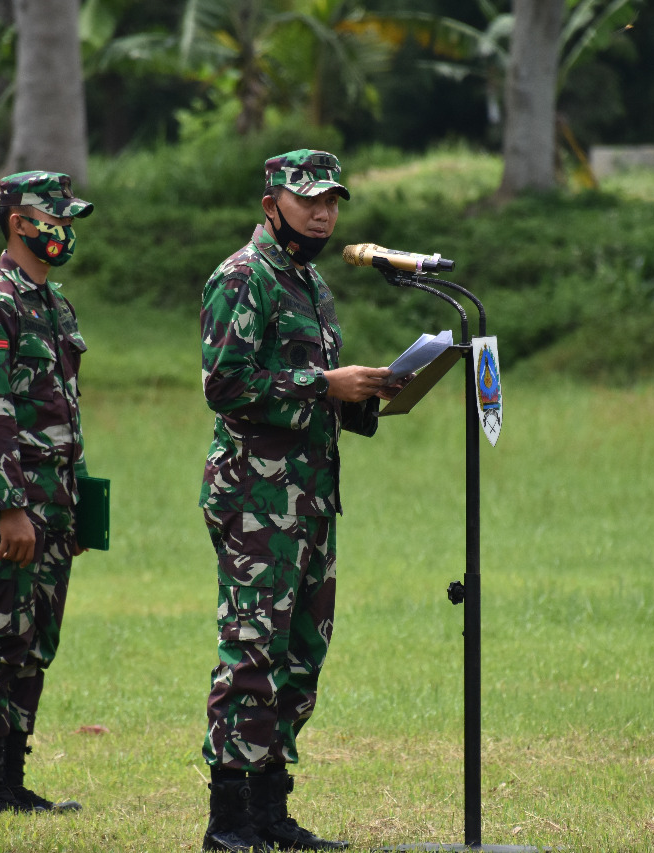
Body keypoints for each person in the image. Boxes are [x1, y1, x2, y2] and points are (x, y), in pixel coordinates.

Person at [198, 149, 401, 851]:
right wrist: (325, 384)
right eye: (309, 199)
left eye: (332, 201)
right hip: (256, 497)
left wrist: (368, 395)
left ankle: (269, 812)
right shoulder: (242, 278)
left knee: (301, 654)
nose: (323, 212)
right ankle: (228, 823)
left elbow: (315, 386)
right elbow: (226, 386)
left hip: (310, 498)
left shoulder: (311, 284)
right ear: (270, 204)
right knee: (251, 652)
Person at [0, 171, 94, 815]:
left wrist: (80, 500)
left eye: (68, 218)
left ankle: (13, 781)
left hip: (54, 503)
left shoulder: (52, 305)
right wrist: (9, 508)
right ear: (17, 222)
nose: (64, 229)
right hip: (7, 506)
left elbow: (67, 412)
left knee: (35, 643)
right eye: (52, 218)